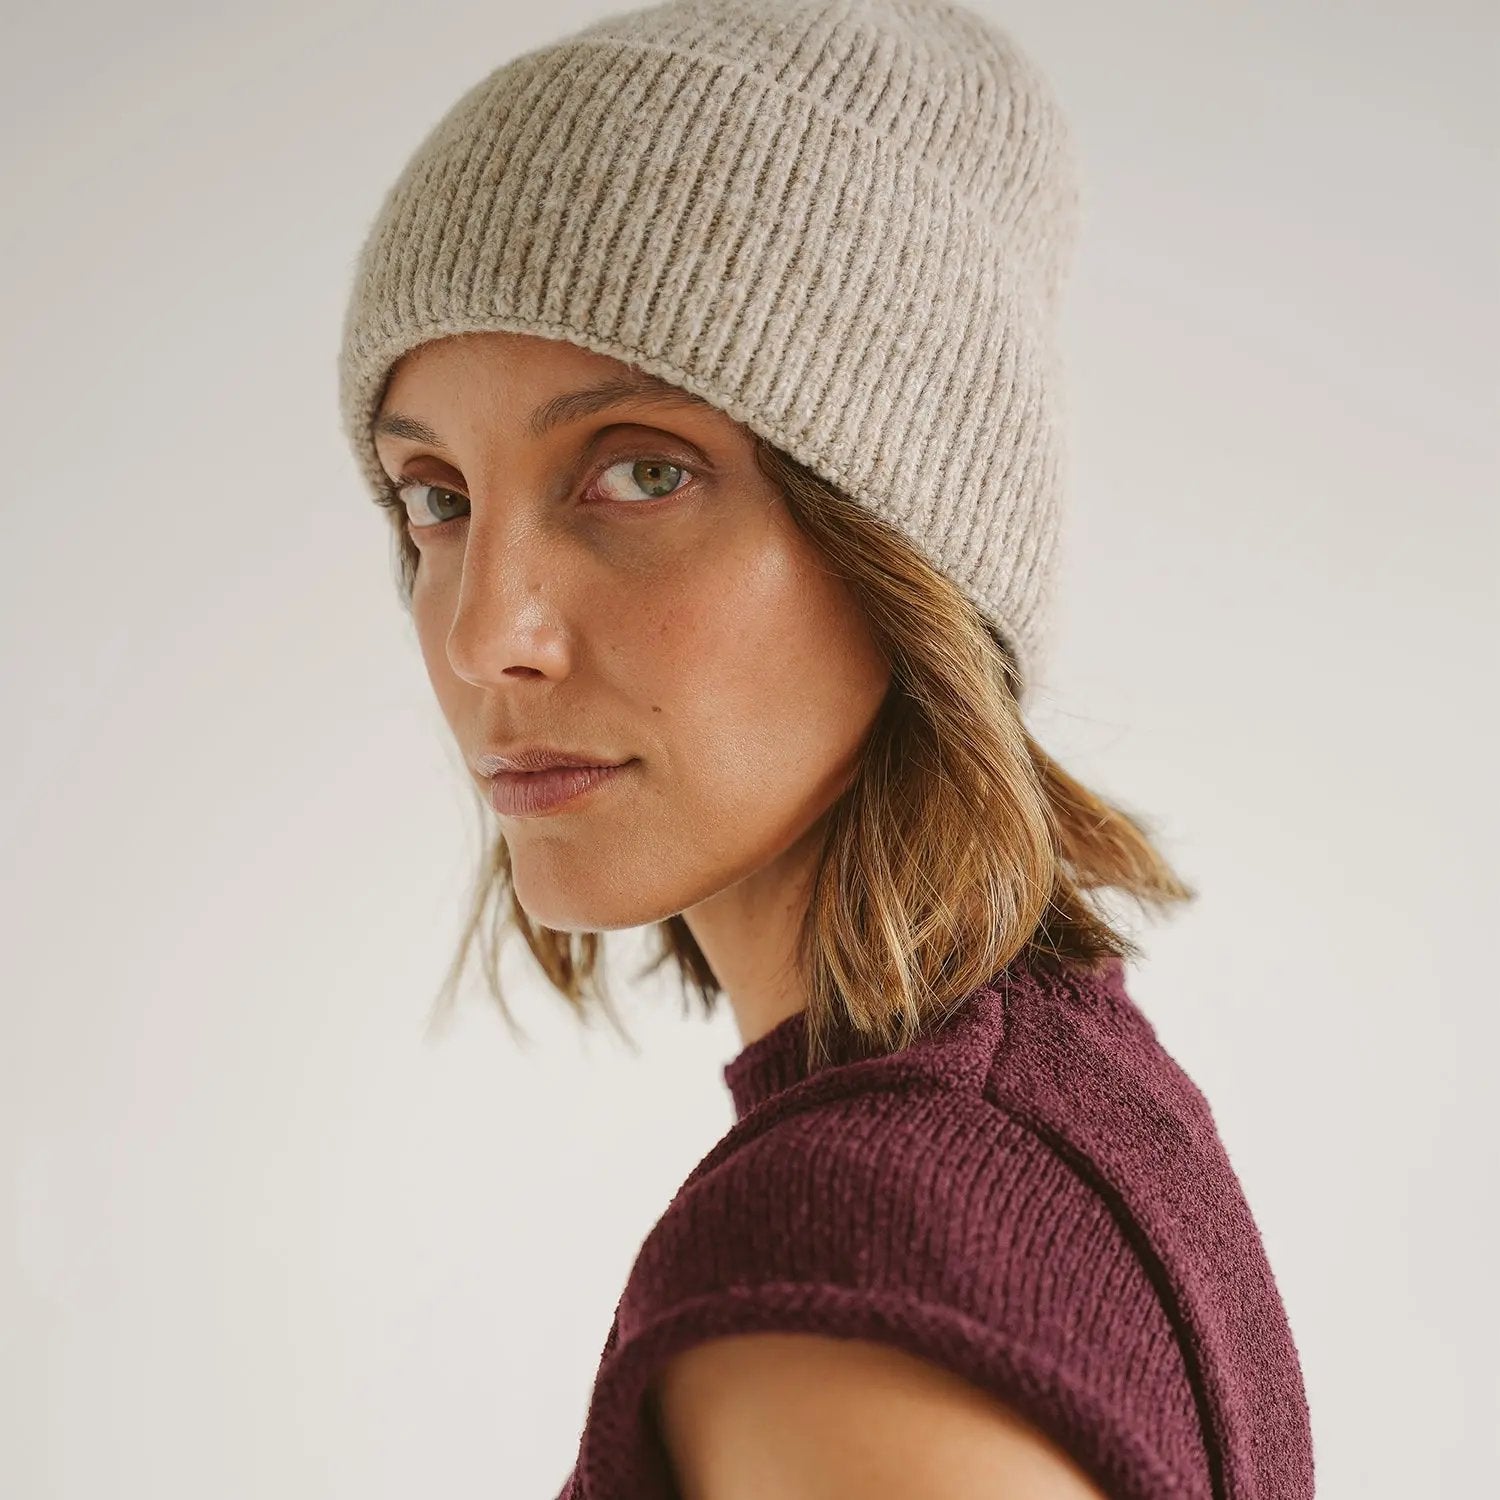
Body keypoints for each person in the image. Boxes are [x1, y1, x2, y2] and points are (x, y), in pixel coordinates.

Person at [335, 2, 1315, 1496]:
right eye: (436, 496)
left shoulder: (843, 1271)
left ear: (903, 552)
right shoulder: (1066, 1109)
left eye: (640, 472)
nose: (487, 635)